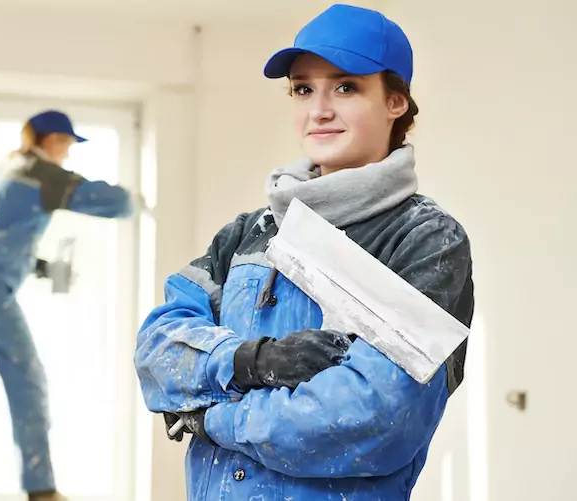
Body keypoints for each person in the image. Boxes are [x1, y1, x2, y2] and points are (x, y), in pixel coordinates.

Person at [134, 4, 474, 501]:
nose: (318, 110)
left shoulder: (426, 241)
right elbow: (157, 352)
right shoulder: (251, 232)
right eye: (302, 88)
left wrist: (210, 416)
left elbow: (376, 419)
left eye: (346, 87)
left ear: (396, 102)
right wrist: (251, 362)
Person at [0, 110, 139, 501]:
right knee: (27, 377)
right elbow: (116, 203)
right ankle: (40, 489)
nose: (67, 154)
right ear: (53, 140)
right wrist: (139, 198)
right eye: (68, 145)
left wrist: (38, 265)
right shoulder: (42, 174)